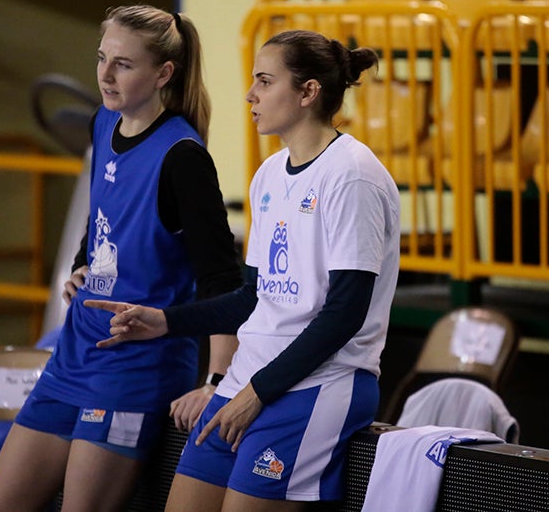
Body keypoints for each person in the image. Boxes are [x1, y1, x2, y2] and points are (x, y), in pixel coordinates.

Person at [86, 29, 402, 511]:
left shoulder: (352, 175)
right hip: (249, 379)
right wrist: (167, 321)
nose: (250, 95)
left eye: (264, 81)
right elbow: (253, 299)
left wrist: (258, 392)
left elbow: (344, 314)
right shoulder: (269, 174)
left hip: (318, 384)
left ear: (308, 91)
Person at [0, 5, 242, 512]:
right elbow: (102, 214)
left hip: (135, 370)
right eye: (102, 58)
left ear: (164, 73)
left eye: (123, 64)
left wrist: (216, 381)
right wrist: (83, 263)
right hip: (74, 356)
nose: (105, 74)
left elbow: (222, 285)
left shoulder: (183, 156)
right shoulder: (105, 122)